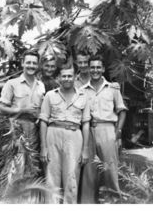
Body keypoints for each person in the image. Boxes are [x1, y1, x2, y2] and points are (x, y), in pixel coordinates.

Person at [39, 65, 90, 204]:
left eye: (70, 76)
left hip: (74, 136)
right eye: (64, 76)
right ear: (58, 78)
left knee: (72, 177)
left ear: (74, 77)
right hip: (53, 134)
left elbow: (86, 123)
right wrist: (43, 147)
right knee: (51, 176)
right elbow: (43, 121)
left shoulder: (83, 96)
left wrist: (85, 149)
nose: (67, 79)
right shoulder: (50, 95)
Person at [80, 55, 127, 203]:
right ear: (89, 69)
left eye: (98, 67)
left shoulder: (112, 88)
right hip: (88, 131)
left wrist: (118, 132)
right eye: (92, 67)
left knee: (110, 169)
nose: (95, 70)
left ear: (103, 69)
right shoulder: (82, 90)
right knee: (88, 171)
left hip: (107, 130)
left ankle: (113, 201)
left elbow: (122, 111)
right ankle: (88, 203)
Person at [0, 50, 45, 176]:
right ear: (22, 63)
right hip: (16, 130)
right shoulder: (12, 84)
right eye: (28, 62)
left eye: (34, 63)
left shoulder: (41, 85)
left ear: (38, 65)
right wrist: (21, 110)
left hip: (35, 131)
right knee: (16, 166)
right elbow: (1, 109)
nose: (31, 66)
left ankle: (29, 195)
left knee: (33, 167)